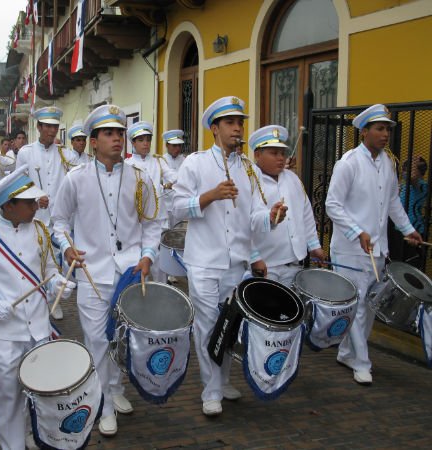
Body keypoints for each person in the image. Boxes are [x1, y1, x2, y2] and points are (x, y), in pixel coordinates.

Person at [173, 96, 287, 416]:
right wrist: (210, 196)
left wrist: (271, 217)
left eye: (240, 123)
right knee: (207, 325)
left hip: (235, 262)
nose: (237, 129)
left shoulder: (249, 169)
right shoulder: (195, 163)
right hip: (203, 261)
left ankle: (222, 381)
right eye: (230, 123)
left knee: (229, 323)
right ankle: (210, 391)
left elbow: (253, 218)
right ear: (215, 128)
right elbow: (176, 208)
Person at [52, 104, 161, 436]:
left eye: (119, 133)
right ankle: (105, 404)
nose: (117, 139)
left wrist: (147, 256)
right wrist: (66, 247)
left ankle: (115, 387)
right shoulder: (76, 179)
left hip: (130, 271)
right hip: (91, 273)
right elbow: (58, 222)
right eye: (109, 133)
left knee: (122, 337)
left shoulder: (140, 178)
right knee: (98, 340)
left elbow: (152, 224)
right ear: (94, 141)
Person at [0, 165, 74, 450]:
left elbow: (49, 270)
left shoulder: (40, 231)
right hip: (6, 332)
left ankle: (34, 433)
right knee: (8, 395)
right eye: (29, 203)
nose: (36, 206)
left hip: (39, 327)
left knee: (41, 388)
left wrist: (58, 283)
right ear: (9, 205)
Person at [325, 103, 423, 385]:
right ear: (364, 132)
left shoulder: (388, 164)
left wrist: (408, 229)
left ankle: (347, 353)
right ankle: (362, 362)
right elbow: (332, 204)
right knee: (356, 305)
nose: (385, 134)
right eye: (379, 129)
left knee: (369, 305)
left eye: (387, 129)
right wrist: (357, 231)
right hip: (350, 250)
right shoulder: (348, 163)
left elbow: (393, 202)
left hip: (377, 248)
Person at [16, 107, 74, 319]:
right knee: (33, 259)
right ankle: (33, 299)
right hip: (33, 217)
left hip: (58, 218)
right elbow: (19, 184)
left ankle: (52, 300)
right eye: (47, 126)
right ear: (38, 127)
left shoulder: (65, 154)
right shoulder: (26, 152)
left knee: (57, 261)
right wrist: (33, 199)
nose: (51, 130)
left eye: (55, 126)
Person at [250, 125, 325, 286]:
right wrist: (253, 257)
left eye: (283, 153)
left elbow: (305, 214)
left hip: (294, 262)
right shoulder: (249, 180)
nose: (280, 158)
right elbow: (242, 223)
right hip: (265, 264)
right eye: (274, 153)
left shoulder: (293, 178)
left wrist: (314, 245)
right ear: (257, 155)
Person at [125, 121, 177, 283]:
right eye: (141, 140)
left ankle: (160, 291)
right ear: (133, 143)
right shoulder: (127, 165)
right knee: (139, 260)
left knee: (160, 265)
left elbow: (174, 177)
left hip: (159, 218)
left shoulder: (158, 162)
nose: (146, 143)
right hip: (137, 220)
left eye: (148, 139)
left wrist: (172, 183)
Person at [400, 156, 428, 235]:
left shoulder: (423, 185)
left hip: (414, 227)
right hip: (402, 226)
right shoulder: (405, 185)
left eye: (407, 170)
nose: (403, 172)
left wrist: (414, 164)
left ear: (418, 171)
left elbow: (412, 178)